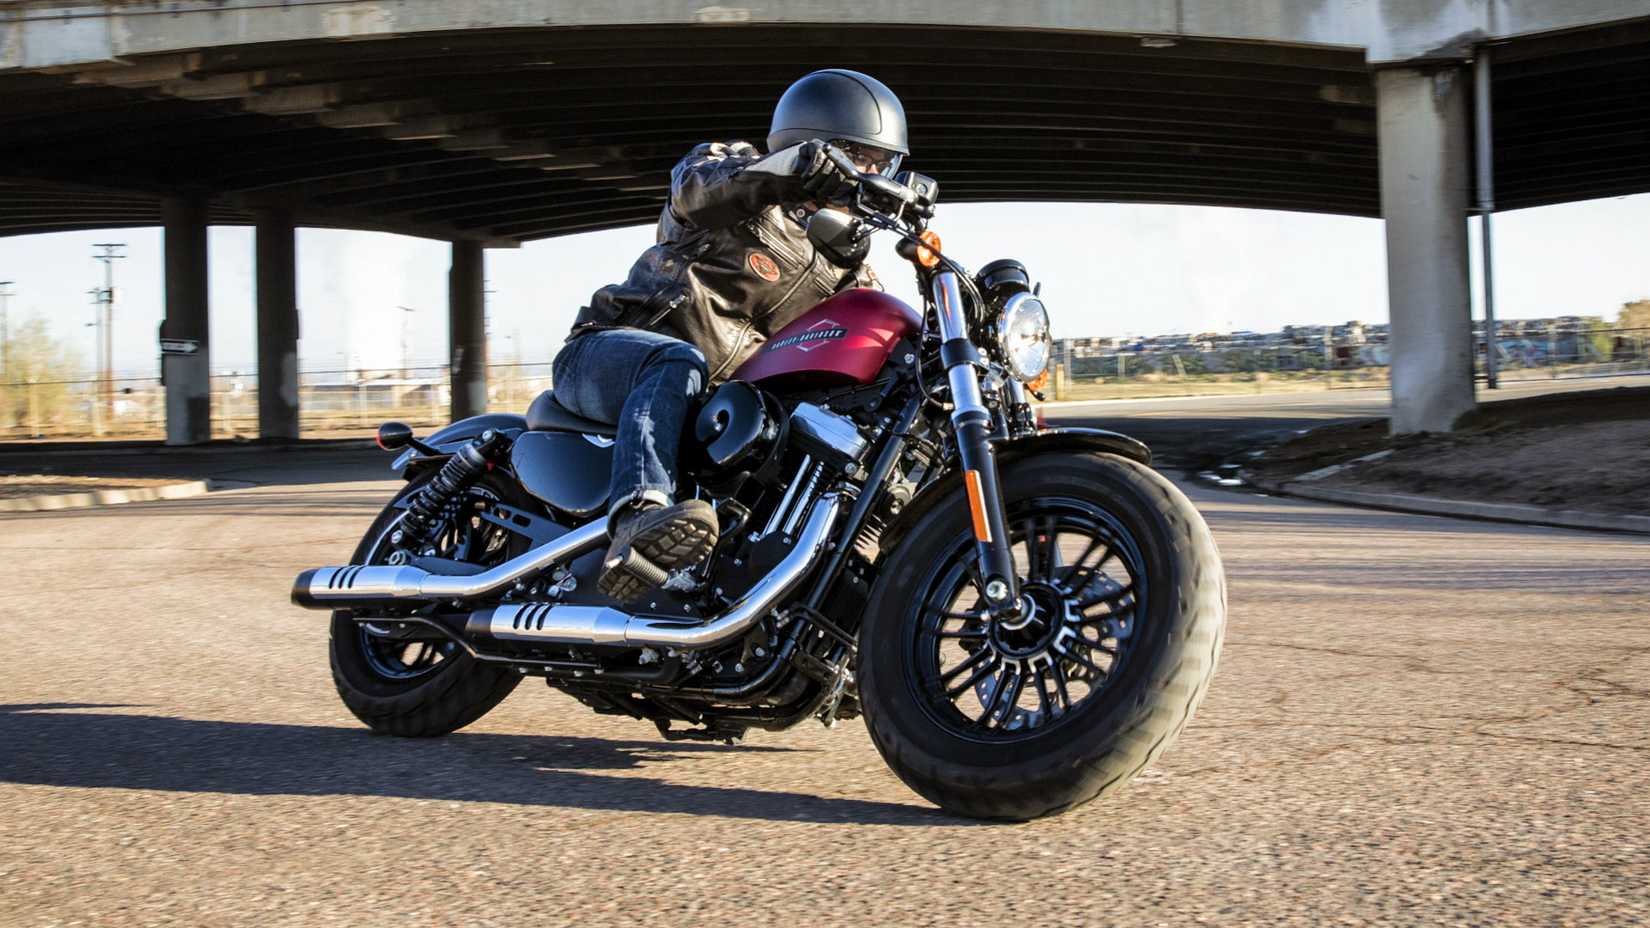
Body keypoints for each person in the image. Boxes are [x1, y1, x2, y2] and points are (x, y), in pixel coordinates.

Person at [550, 69, 908, 604]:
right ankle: (639, 517)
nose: (867, 175)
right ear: (809, 144)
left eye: (881, 164)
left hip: (712, 403)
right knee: (679, 360)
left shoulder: (844, 267)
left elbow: (873, 328)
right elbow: (700, 187)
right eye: (857, 158)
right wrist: (793, 172)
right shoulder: (735, 177)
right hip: (612, 354)